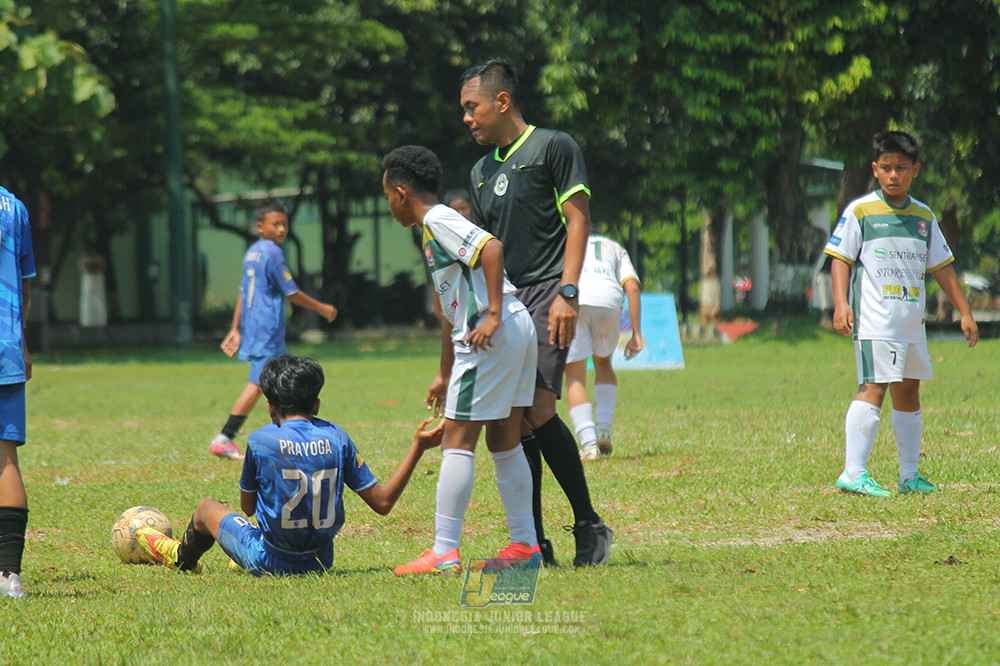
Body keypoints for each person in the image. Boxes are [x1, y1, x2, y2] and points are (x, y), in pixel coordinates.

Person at [460, 59, 612, 567]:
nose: (467, 118)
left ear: (501, 101)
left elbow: (578, 219)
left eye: (472, 107)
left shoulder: (553, 146)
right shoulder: (480, 172)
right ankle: (535, 543)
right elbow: (487, 250)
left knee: (538, 410)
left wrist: (568, 291)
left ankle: (589, 524)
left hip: (550, 289)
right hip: (507, 299)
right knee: (514, 421)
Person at [380, 145, 541, 575]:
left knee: (456, 441)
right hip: (513, 326)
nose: (389, 205)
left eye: (387, 196)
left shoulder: (437, 219)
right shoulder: (430, 229)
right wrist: (444, 371)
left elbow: (491, 248)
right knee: (504, 439)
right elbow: (452, 311)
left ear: (401, 193)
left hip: (492, 332)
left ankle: (444, 551)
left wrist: (492, 316)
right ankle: (525, 546)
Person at [137, 354, 445, 575]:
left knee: (206, 508)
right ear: (316, 405)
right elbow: (383, 503)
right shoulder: (337, 437)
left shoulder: (261, 440)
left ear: (270, 407)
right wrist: (418, 447)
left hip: (270, 559)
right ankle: (238, 554)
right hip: (321, 561)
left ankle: (180, 557)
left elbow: (247, 508)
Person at [825, 130, 978, 497]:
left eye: (902, 168)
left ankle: (909, 477)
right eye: (887, 168)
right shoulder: (861, 211)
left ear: (915, 170)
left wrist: (965, 311)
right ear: (875, 169)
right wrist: (841, 303)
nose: (894, 175)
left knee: (908, 392)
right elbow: (840, 259)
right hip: (875, 321)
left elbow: (942, 267)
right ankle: (853, 472)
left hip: (910, 323)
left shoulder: (924, 216)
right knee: (873, 388)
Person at [210, 200, 338, 460]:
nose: (281, 229)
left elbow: (243, 292)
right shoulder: (273, 253)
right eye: (275, 224)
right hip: (266, 327)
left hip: (255, 326)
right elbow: (291, 292)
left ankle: (290, 432)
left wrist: (235, 328)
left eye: (285, 224)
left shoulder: (253, 252)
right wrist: (322, 308)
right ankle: (225, 437)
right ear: (260, 226)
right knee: (259, 382)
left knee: (282, 376)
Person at [565, 235, 643, 461]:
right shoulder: (615, 247)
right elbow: (632, 287)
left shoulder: (568, 241)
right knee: (603, 363)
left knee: (575, 375)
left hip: (576, 299)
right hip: (609, 301)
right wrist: (636, 333)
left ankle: (589, 445)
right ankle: (604, 431)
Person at [0, 188, 34, 599]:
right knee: (5, 457)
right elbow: (24, 288)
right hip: (5, 347)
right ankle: (9, 576)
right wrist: (21, 343)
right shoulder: (13, 206)